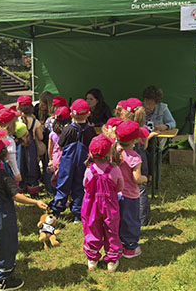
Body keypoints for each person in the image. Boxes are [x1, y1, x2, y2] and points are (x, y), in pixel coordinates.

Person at [0, 134, 47, 290]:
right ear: (1, 155)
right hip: (0, 216)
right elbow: (15, 195)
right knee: (5, 246)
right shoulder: (3, 175)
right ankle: (5, 279)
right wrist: (35, 201)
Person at [49, 99, 97, 222]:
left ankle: (57, 211)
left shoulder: (67, 129)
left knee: (63, 185)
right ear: (88, 114)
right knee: (80, 186)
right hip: (83, 163)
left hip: (67, 163)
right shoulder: (91, 130)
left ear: (71, 115)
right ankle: (77, 214)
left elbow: (60, 145)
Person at [81, 134, 123, 273]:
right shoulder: (115, 169)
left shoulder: (89, 170)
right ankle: (111, 259)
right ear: (110, 152)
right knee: (112, 229)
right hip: (110, 204)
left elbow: (85, 185)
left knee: (92, 227)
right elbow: (120, 187)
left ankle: (92, 259)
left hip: (91, 204)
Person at [115, 121, 148, 258]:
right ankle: (130, 248)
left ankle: (117, 243)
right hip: (130, 195)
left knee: (118, 219)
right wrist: (145, 179)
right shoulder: (134, 157)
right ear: (135, 140)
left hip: (116, 193)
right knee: (131, 221)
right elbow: (136, 178)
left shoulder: (115, 150)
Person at [120, 98, 151, 226]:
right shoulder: (143, 129)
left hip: (127, 161)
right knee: (141, 188)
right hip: (140, 160)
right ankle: (142, 218)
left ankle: (136, 218)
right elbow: (145, 147)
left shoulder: (123, 128)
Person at [16, 95, 43, 196]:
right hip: (31, 146)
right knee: (32, 166)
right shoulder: (35, 122)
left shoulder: (16, 120)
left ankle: (21, 185)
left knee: (20, 165)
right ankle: (32, 186)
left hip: (19, 146)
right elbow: (40, 137)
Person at [0, 107, 22, 183]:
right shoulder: (10, 141)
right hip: (7, 171)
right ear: (11, 125)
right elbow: (12, 159)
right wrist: (17, 174)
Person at [47, 106, 71, 187]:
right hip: (66, 159)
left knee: (56, 179)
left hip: (55, 159)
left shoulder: (52, 134)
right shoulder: (69, 133)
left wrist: (50, 159)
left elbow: (50, 148)